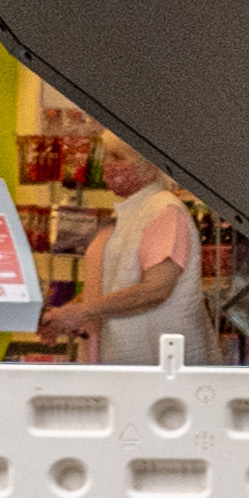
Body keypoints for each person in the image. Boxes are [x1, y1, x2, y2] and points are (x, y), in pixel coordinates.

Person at [61, 140, 211, 368]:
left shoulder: (164, 211)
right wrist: (70, 312)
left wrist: (85, 311)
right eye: (107, 156)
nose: (107, 165)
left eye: (117, 157)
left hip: (158, 359)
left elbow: (156, 289)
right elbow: (116, 283)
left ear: (150, 164)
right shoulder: (135, 211)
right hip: (130, 360)